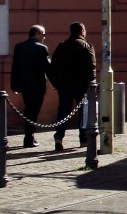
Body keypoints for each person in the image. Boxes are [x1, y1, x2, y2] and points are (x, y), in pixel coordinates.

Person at [49, 22, 96, 151]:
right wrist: (91, 84)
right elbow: (91, 67)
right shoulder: (87, 45)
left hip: (64, 86)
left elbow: (53, 68)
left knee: (63, 112)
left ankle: (59, 138)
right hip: (82, 86)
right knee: (84, 113)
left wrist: (56, 84)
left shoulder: (62, 46)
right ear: (82, 31)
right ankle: (84, 139)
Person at [10, 24, 50, 147]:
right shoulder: (42, 48)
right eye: (43, 34)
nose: (44, 37)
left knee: (29, 110)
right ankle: (29, 138)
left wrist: (14, 85)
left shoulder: (19, 47)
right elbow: (48, 68)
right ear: (37, 34)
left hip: (24, 86)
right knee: (33, 111)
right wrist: (57, 84)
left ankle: (29, 137)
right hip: (38, 86)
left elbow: (15, 67)